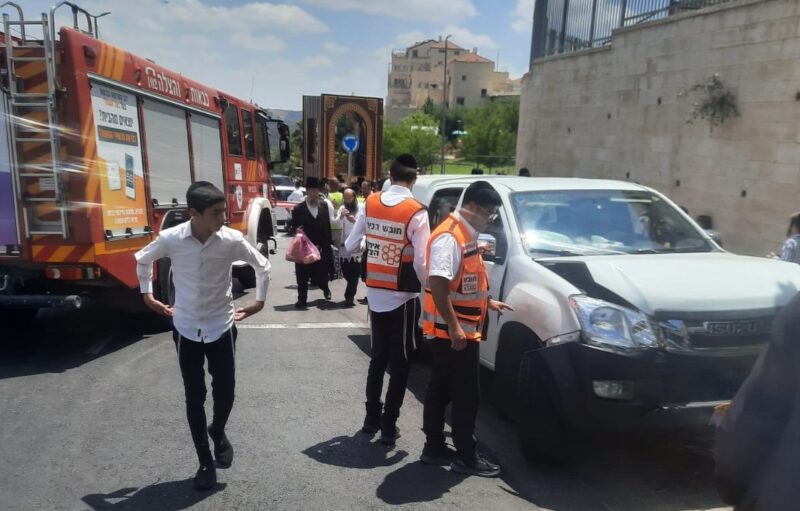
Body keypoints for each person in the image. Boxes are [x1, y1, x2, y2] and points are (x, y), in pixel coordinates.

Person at [134, 182, 270, 491]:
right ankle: (205, 461)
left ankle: (217, 430)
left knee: (226, 392)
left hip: (221, 326)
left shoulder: (231, 240)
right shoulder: (172, 238)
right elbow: (143, 259)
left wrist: (258, 303)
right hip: (186, 328)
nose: (223, 217)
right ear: (194, 213)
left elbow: (262, 266)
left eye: (224, 211)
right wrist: (147, 295)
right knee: (194, 396)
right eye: (216, 213)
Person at [421, 180, 513, 477]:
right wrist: (454, 327)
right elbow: (438, 282)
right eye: (488, 213)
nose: (490, 220)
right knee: (466, 396)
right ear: (472, 206)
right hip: (454, 334)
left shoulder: (463, 234)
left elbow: (465, 281)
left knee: (441, 389)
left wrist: (487, 302)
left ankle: (434, 447)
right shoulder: (450, 237)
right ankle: (466, 456)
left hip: (455, 331)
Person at [345, 154, 430, 446]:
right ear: (414, 179)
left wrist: (373, 244)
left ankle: (371, 419)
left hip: (375, 295)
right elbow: (422, 262)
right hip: (404, 298)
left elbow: (350, 245)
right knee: (401, 362)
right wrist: (429, 289)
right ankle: (389, 425)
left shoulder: (370, 203)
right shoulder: (417, 211)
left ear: (390, 176)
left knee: (378, 358)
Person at [290, 176, 334, 308]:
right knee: (302, 276)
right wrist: (296, 231)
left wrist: (329, 244)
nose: (315, 193)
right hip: (304, 248)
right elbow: (293, 228)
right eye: (312, 191)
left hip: (321, 247)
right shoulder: (298, 209)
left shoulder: (324, 206)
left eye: (317, 191)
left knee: (322, 275)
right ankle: (302, 299)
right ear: (307, 191)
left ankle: (325, 289)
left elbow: (327, 226)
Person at [335, 188, 363, 306]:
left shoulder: (361, 208)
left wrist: (354, 220)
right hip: (344, 246)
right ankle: (350, 290)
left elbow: (364, 224)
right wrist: (341, 216)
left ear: (354, 197)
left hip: (357, 245)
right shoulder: (342, 208)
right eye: (345, 198)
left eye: (349, 198)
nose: (347, 201)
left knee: (354, 274)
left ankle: (349, 297)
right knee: (346, 272)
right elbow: (336, 223)